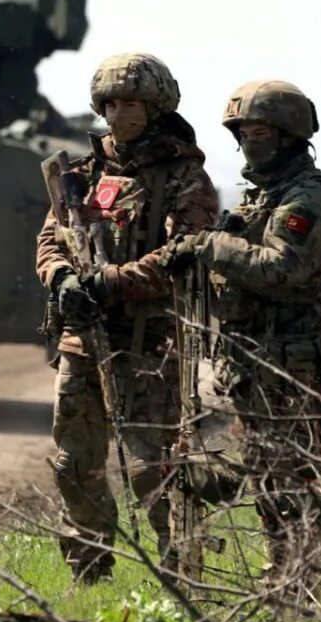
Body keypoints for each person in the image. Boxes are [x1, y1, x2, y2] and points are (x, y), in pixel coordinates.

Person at [166, 80, 321, 578]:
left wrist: (209, 246)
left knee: (286, 479)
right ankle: (293, 577)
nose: (249, 141)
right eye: (244, 132)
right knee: (270, 479)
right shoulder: (265, 197)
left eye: (261, 131)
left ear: (289, 135)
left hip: (292, 361)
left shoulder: (309, 200)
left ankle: (307, 579)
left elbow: (281, 269)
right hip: (258, 360)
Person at [35, 53, 219, 583]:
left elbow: (183, 254)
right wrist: (62, 279)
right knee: (75, 466)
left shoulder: (184, 175)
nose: (119, 113)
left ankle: (183, 580)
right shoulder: (81, 174)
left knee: (152, 471)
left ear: (156, 107)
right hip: (81, 343)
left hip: (150, 345)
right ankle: (89, 575)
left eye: (131, 103)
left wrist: (110, 281)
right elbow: (51, 238)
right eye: (110, 103)